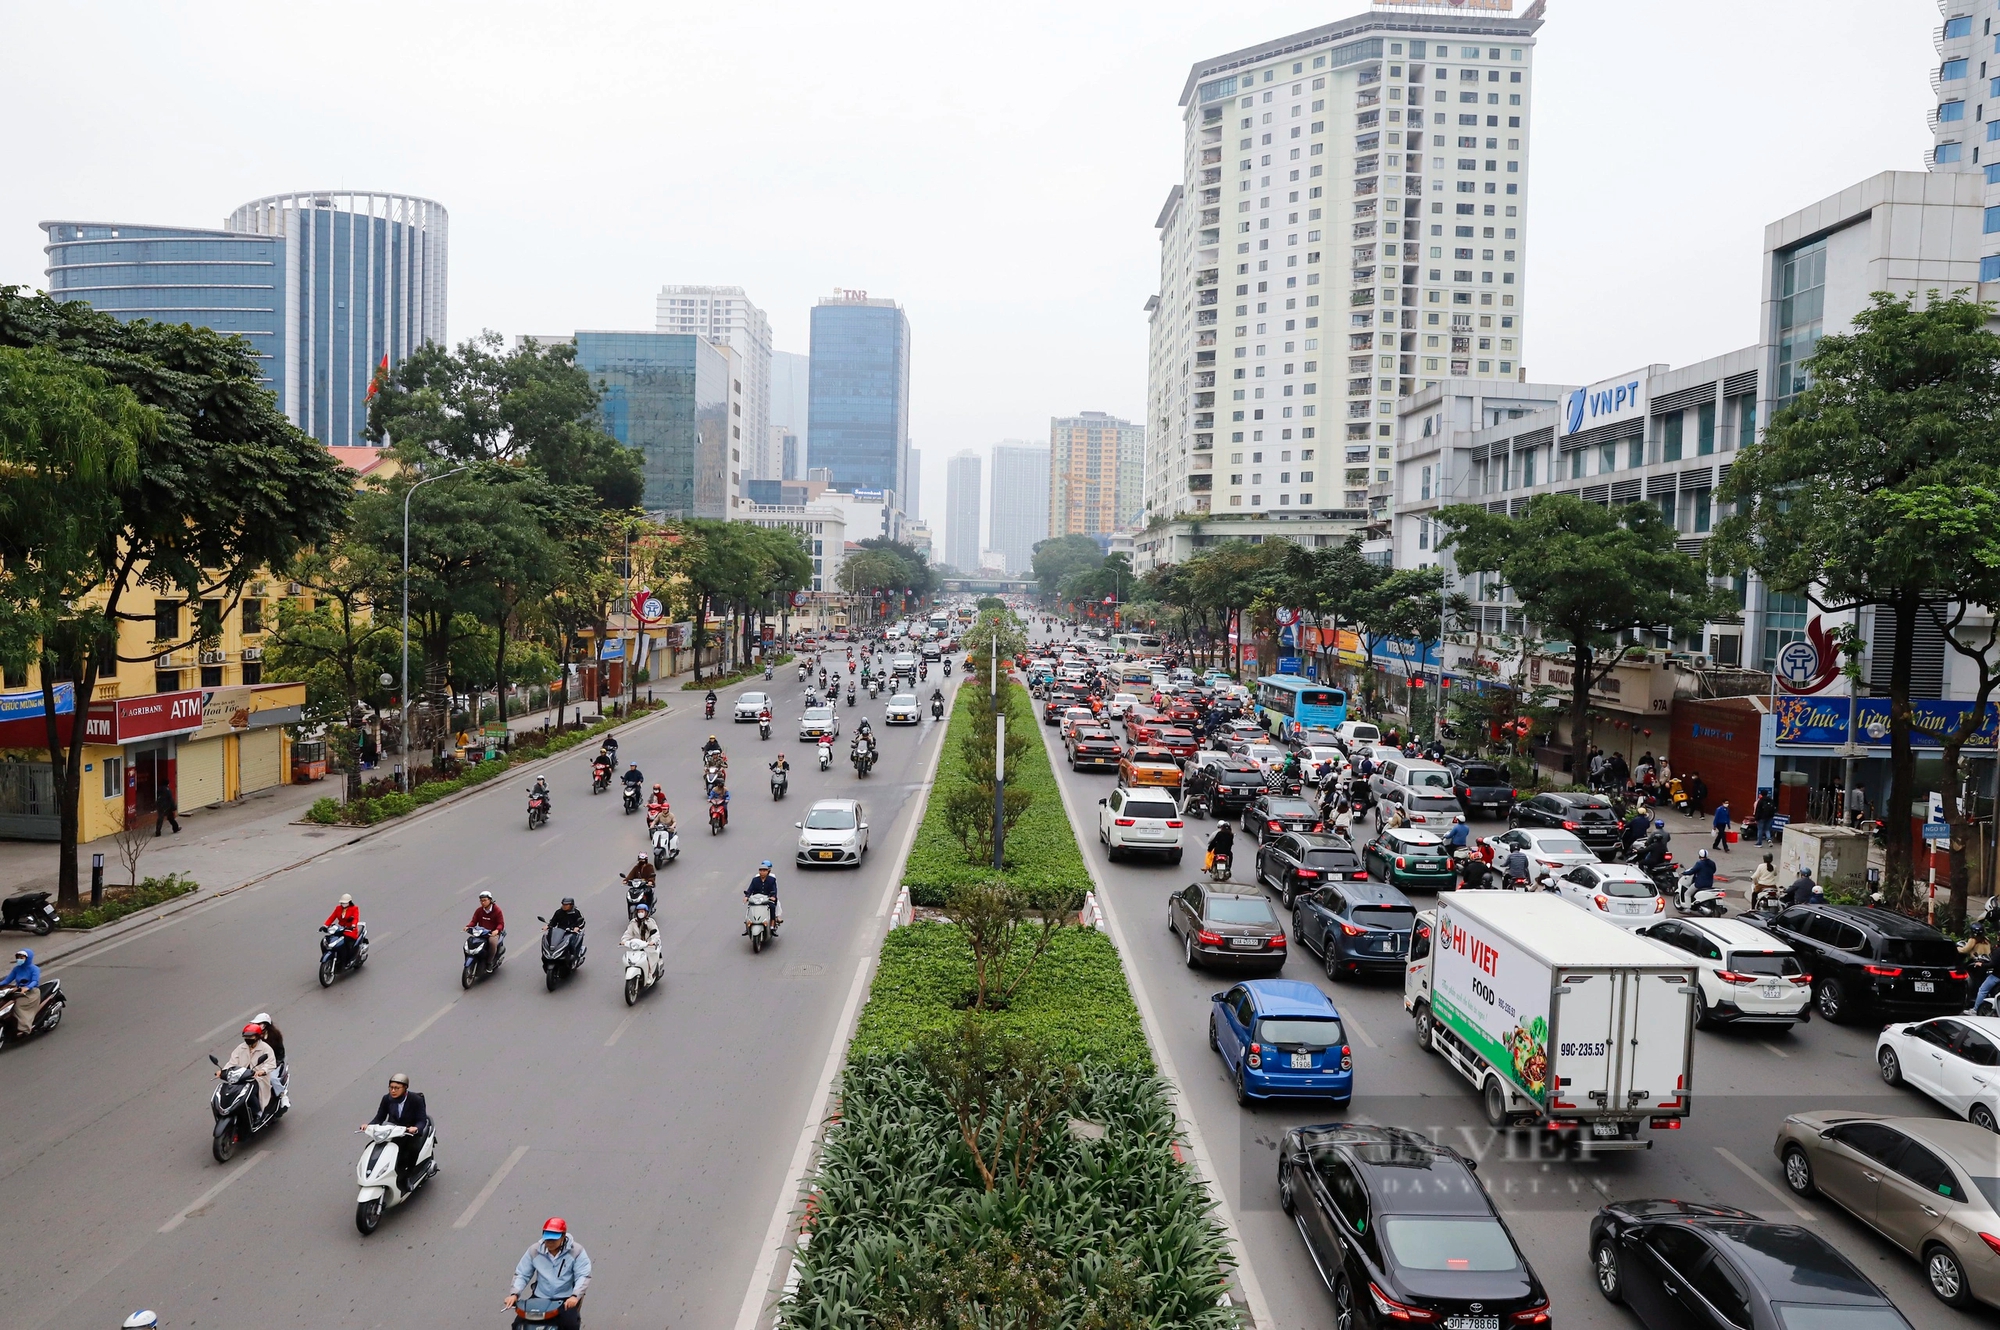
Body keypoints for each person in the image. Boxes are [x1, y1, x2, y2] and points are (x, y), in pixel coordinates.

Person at [505, 1218, 592, 1327]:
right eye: (547, 1239)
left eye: (554, 1239)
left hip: (565, 1300)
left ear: (563, 1236)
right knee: (518, 1324)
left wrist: (575, 1296)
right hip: (540, 1298)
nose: (550, 1243)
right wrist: (514, 1294)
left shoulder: (577, 1251)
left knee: (570, 1325)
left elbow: (583, 1275)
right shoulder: (534, 1250)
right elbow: (522, 1274)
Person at [367, 1071, 429, 1185]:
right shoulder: (387, 1099)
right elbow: (379, 1117)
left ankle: (408, 1176)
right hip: (393, 1131)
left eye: (397, 1088)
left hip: (410, 1133)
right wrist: (368, 1126)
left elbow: (422, 1120)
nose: (393, 1091)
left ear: (405, 1088)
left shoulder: (416, 1099)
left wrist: (415, 1128)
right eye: (391, 1087)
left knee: (412, 1150)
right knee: (373, 1147)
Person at [221, 1022, 278, 1115]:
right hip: (240, 1077)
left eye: (251, 1037)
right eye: (246, 1037)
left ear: (258, 1036)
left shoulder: (266, 1048)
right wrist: (223, 1071)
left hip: (257, 1079)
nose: (248, 1039)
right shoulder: (241, 1048)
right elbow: (232, 1062)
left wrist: (262, 1071)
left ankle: (257, 1112)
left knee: (249, 1093)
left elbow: (270, 1064)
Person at [251, 1010, 290, 1108]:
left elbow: (280, 1053)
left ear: (266, 1025)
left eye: (259, 1024)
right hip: (257, 1064)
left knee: (271, 1078)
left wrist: (274, 1064)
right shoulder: (253, 1036)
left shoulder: (275, 1036)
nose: (257, 1025)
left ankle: (282, 1095)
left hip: (273, 1063)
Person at [1, 947, 42, 1037]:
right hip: (19, 991)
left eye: (22, 957)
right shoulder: (17, 969)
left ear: (28, 958)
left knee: (17, 1006)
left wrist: (27, 987)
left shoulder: (35, 969)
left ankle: (25, 1028)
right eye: (18, 957)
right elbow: (7, 980)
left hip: (31, 992)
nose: (19, 959)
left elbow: (35, 981)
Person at [468, 890, 505, 971]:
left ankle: (489, 962)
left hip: (492, 933)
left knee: (492, 943)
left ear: (490, 900)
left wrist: (496, 931)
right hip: (481, 932)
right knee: (470, 942)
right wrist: (468, 927)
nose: (482, 902)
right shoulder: (479, 910)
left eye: (484, 900)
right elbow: (474, 921)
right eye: (481, 901)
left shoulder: (497, 911)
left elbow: (501, 924)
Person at [323, 893, 361, 969]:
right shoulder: (338, 908)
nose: (343, 904)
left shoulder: (354, 908)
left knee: (344, 943)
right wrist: (325, 925)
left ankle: (345, 961)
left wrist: (353, 925)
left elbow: (355, 918)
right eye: (342, 903)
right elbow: (331, 917)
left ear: (349, 902)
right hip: (339, 929)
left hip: (350, 931)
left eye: (345, 903)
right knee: (326, 941)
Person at [746, 861, 783, 933]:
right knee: (749, 907)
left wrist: (773, 896)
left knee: (772, 907)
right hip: (756, 899)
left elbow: (774, 889)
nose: (762, 872)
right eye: (761, 870)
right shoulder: (755, 879)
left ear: (768, 871)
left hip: (767, 899)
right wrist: (747, 896)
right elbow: (750, 889)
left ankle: (772, 925)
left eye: (764, 870)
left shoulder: (772, 879)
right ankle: (747, 924)